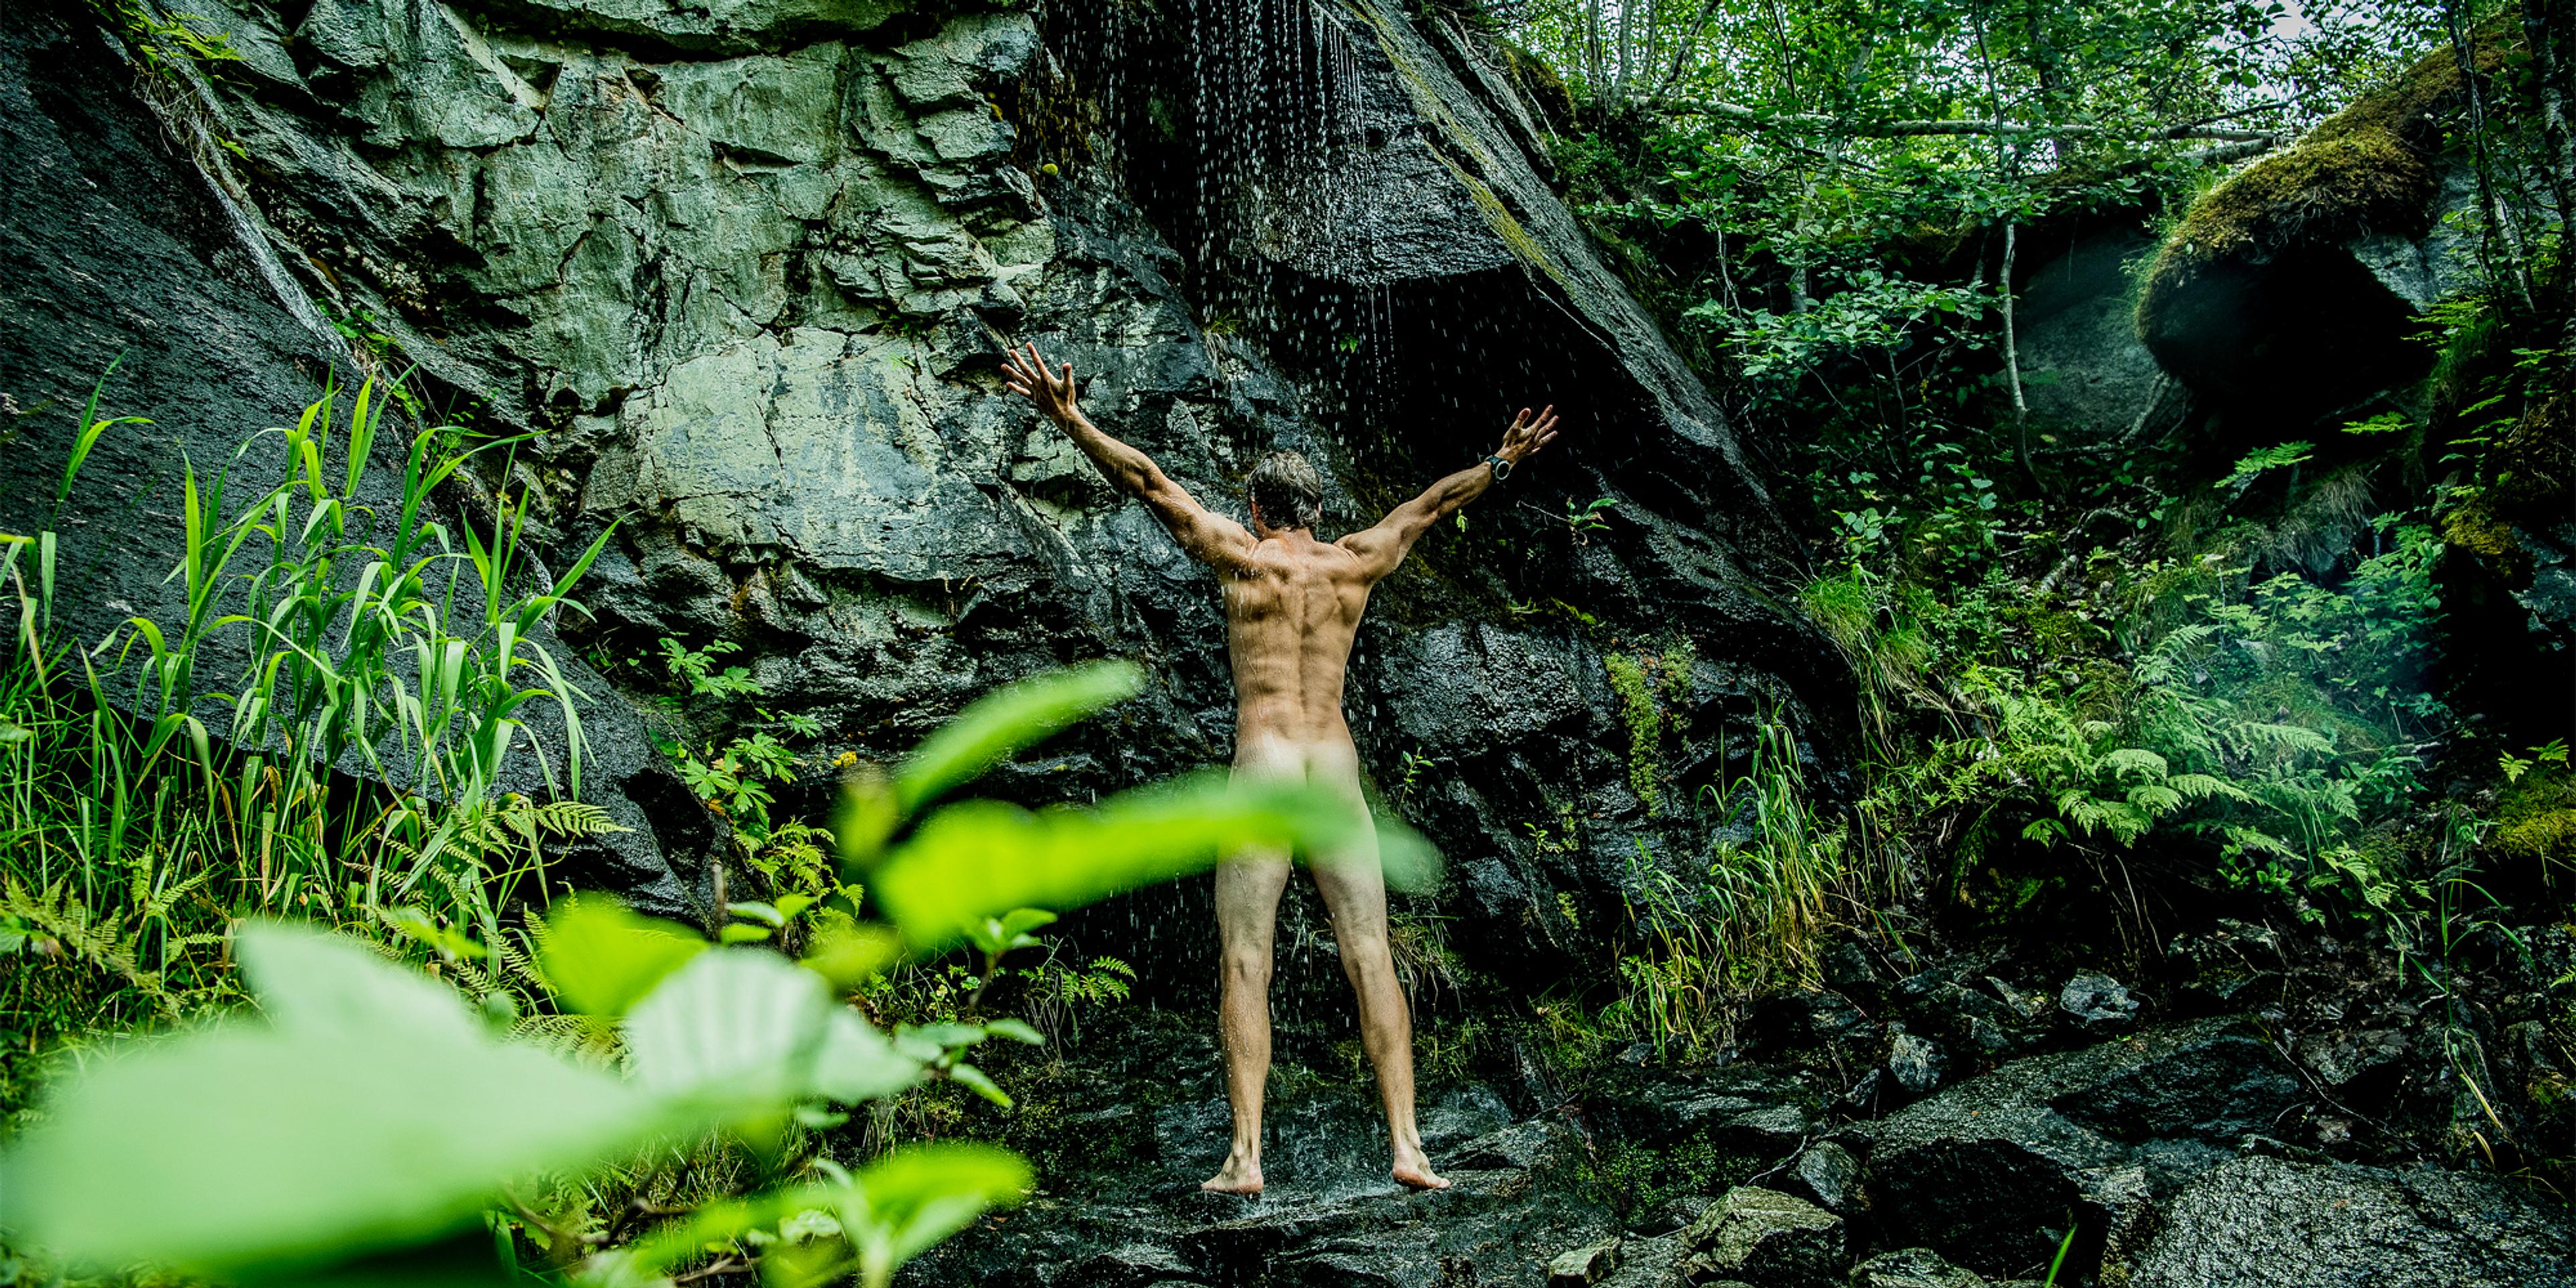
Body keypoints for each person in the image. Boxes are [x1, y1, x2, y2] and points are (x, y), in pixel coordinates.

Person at [1002, 341, 1561, 1195]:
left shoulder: (1242, 556)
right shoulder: (1355, 560)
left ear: (1257, 508)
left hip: (1265, 761)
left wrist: (1071, 419)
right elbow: (1433, 504)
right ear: (1316, 508)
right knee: (1371, 952)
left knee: (1245, 959)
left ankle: (1246, 1158)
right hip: (1331, 765)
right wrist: (1502, 460)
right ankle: (1409, 1148)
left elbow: (1150, 484)